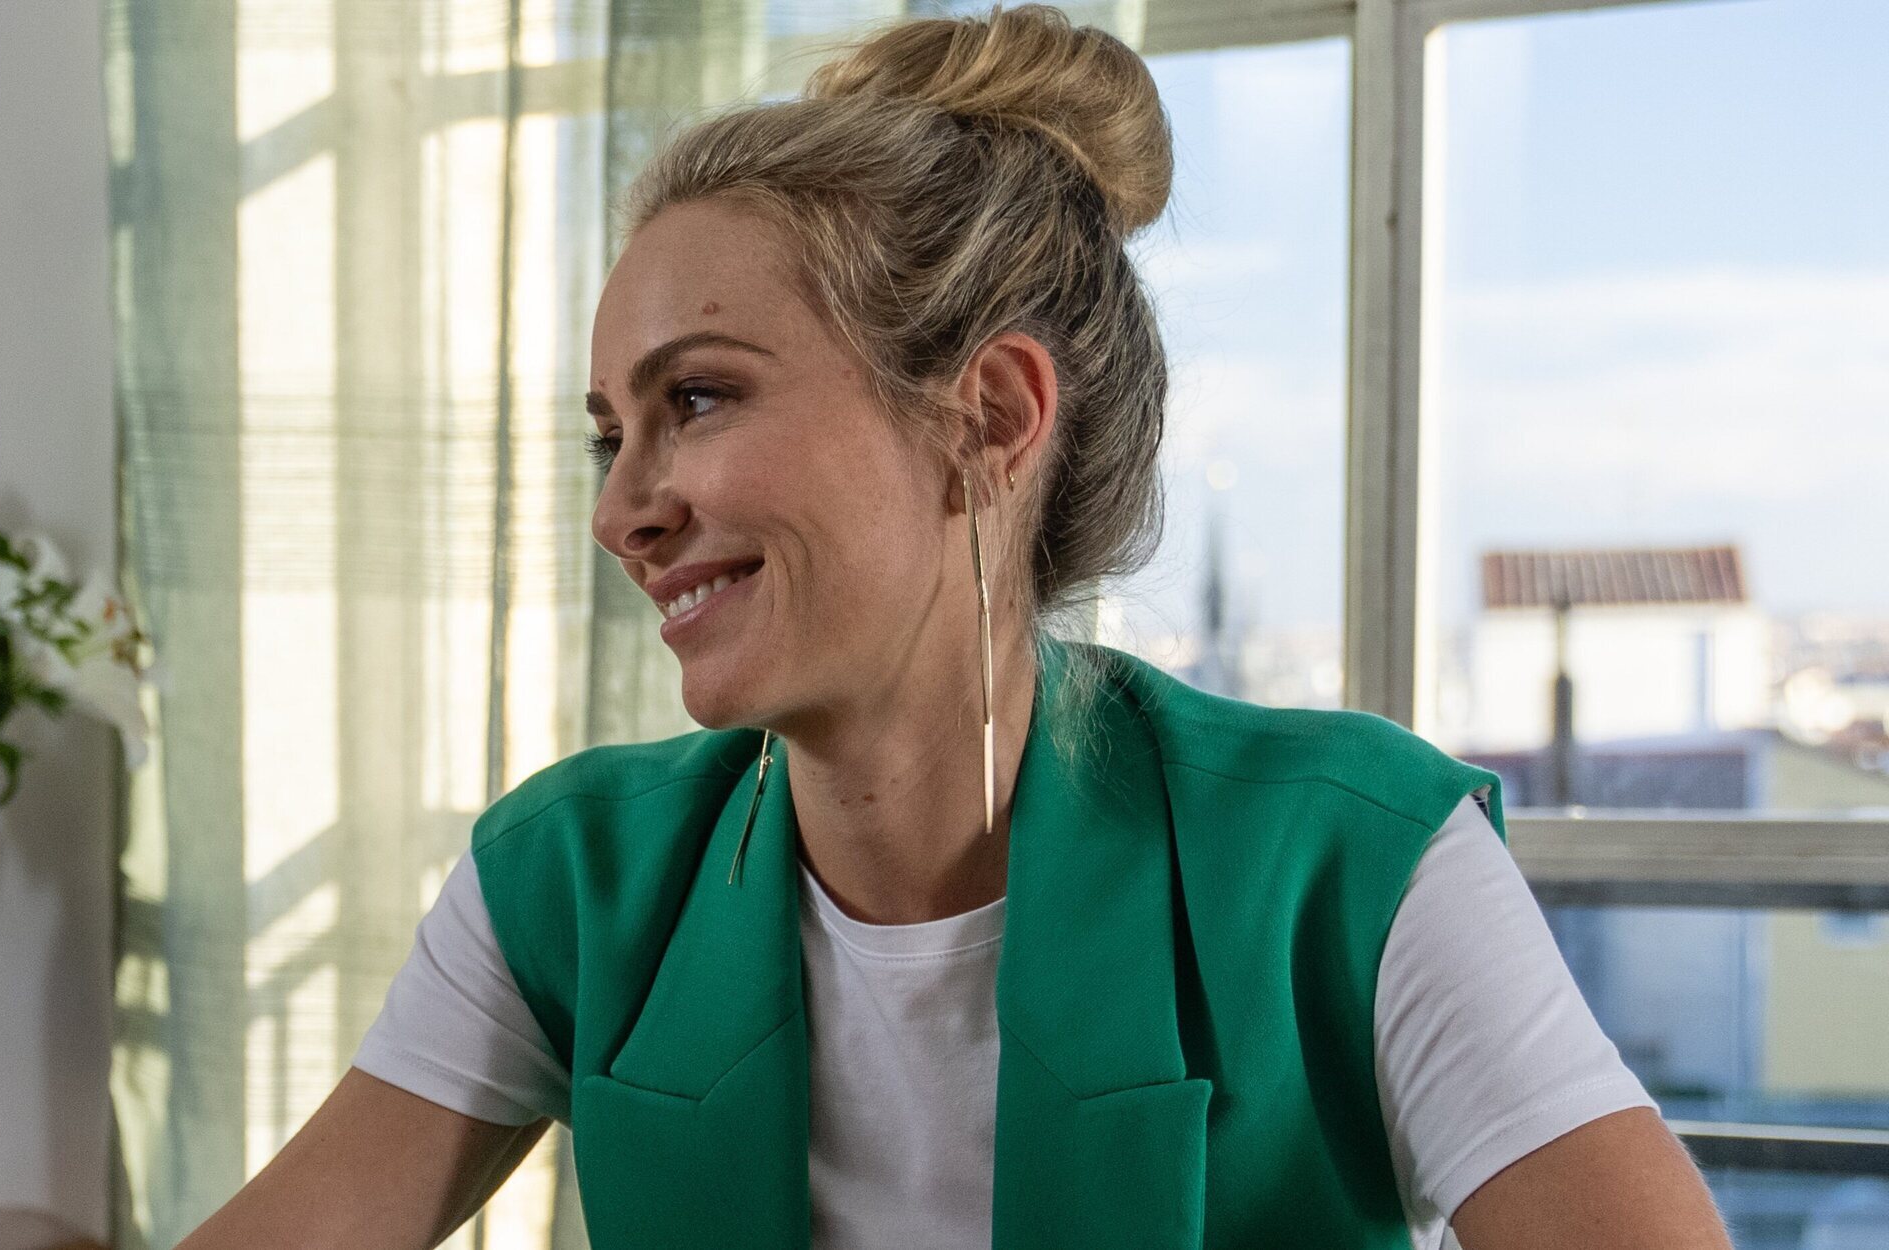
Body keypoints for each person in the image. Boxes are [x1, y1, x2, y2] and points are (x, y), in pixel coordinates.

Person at [179, 7, 1738, 1248]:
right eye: (612, 435)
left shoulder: (1357, 865)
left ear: (988, 417)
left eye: (698, 398)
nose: (625, 510)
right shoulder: (568, 880)